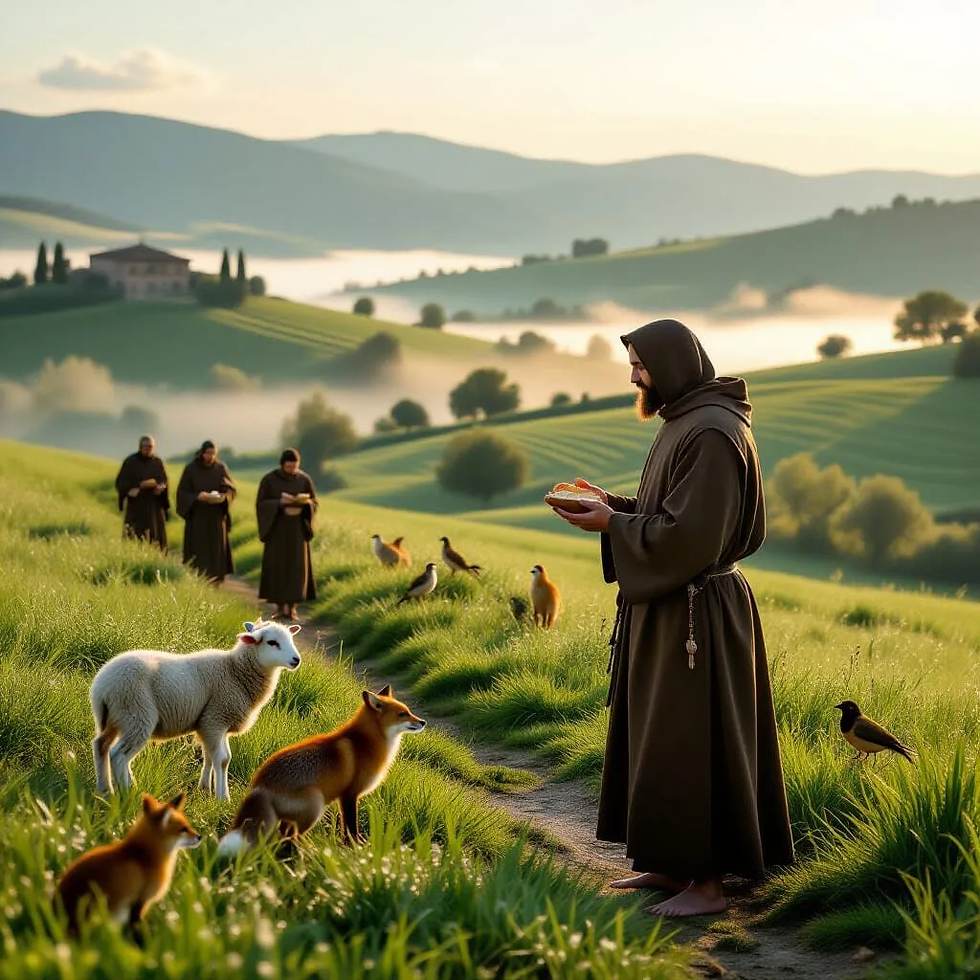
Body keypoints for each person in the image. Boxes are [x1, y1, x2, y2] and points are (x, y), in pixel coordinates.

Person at [551, 318, 793, 918]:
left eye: (641, 366)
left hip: (697, 616)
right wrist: (614, 508)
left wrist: (614, 526)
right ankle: (673, 864)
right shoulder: (686, 418)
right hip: (671, 607)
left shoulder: (711, 430)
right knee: (662, 738)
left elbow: (694, 538)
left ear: (672, 365)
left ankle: (708, 886)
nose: (635, 377)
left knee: (692, 742)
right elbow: (670, 512)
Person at [256, 448, 318, 620]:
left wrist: (305, 503)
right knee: (278, 567)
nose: (292, 470)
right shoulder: (269, 480)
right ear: (282, 465)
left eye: (294, 467)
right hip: (277, 530)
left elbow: (314, 502)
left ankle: (292, 608)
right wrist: (279, 503)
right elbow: (261, 504)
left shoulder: (304, 479)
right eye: (289, 467)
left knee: (296, 568)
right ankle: (279, 607)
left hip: (297, 531)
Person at [175, 440, 236, 583]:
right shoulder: (191, 469)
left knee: (216, 550)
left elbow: (230, 489)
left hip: (216, 517)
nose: (211, 456)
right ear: (202, 453)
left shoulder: (220, 468)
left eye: (213, 454)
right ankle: (198, 579)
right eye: (208, 453)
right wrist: (197, 497)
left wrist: (223, 497)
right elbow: (182, 493)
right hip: (198, 517)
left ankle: (216, 580)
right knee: (199, 550)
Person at [114, 434, 169, 550]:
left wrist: (161, 487)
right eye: (146, 446)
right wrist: (133, 488)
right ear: (140, 446)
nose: (148, 449)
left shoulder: (157, 462)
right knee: (134, 535)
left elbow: (163, 480)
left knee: (155, 535)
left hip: (153, 505)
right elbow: (121, 482)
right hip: (136, 505)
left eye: (150, 447)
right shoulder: (131, 462)